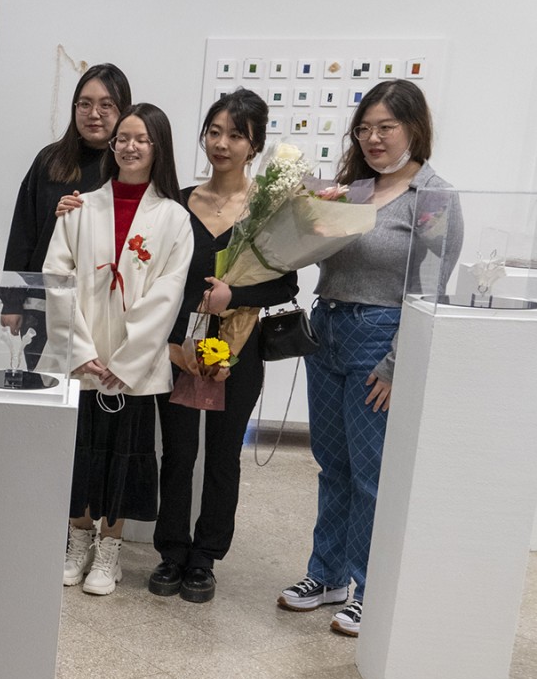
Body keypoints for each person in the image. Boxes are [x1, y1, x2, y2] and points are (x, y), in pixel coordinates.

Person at [277, 80, 461, 636]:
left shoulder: (433, 196)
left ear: (414, 128)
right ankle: (326, 574)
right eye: (365, 128)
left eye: (387, 127)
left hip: (379, 337)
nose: (374, 138)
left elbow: (431, 287)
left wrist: (395, 363)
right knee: (332, 464)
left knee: (371, 472)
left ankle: (368, 587)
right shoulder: (350, 189)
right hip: (327, 328)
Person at [148, 90, 297, 604]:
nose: (222, 143)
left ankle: (205, 557)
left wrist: (236, 294)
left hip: (240, 348)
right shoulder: (178, 202)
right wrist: (175, 339)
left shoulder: (267, 210)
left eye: (235, 134)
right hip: (182, 346)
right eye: (214, 131)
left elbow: (286, 286)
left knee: (224, 453)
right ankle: (170, 551)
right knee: (178, 450)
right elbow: (158, 276)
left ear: (254, 144)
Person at [45, 102, 193, 597]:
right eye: (123, 138)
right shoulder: (81, 206)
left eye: (142, 139)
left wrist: (127, 361)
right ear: (113, 145)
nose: (130, 147)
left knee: (125, 454)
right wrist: (79, 348)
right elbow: (57, 278)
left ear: (158, 149)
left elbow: (167, 295)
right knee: (78, 450)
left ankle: (110, 548)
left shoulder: (174, 218)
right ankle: (77, 538)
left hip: (133, 364)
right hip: (84, 356)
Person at [1, 64, 131, 365]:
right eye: (84, 104)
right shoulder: (50, 160)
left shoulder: (128, 168)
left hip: (104, 311)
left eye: (106, 105)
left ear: (124, 109)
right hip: (42, 305)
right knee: (41, 396)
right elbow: (23, 234)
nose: (93, 113)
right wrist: (12, 302)